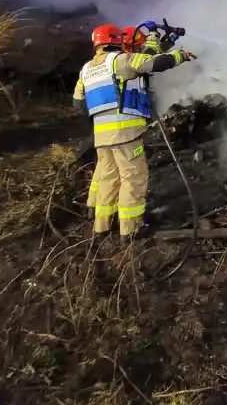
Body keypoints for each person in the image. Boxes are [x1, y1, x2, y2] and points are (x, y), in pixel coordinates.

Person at [73, 23, 195, 241]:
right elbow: (152, 62)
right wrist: (180, 55)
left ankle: (101, 226)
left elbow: (78, 103)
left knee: (109, 177)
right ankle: (130, 229)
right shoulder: (121, 60)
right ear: (115, 40)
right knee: (133, 177)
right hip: (125, 133)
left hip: (101, 135)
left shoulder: (86, 70)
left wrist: (101, 114)